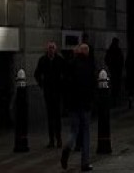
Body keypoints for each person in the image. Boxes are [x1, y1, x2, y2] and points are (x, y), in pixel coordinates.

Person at [60, 44, 95, 172]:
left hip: (73, 104)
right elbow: (92, 84)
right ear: (86, 52)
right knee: (85, 133)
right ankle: (85, 163)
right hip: (85, 104)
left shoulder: (71, 64)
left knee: (74, 131)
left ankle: (67, 148)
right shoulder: (89, 65)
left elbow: (66, 84)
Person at [34, 41, 65, 148]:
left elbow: (65, 73)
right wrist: (42, 84)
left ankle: (59, 138)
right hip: (48, 91)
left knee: (57, 117)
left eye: (53, 48)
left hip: (57, 91)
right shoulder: (43, 60)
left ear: (55, 49)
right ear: (47, 49)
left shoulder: (59, 60)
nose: (51, 50)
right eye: (49, 48)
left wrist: (61, 85)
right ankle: (51, 139)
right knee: (50, 117)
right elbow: (37, 74)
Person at [104, 38, 124, 107]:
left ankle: (114, 100)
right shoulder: (117, 50)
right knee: (116, 86)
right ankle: (115, 100)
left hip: (113, 70)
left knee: (114, 86)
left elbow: (106, 59)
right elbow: (121, 60)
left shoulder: (111, 50)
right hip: (116, 71)